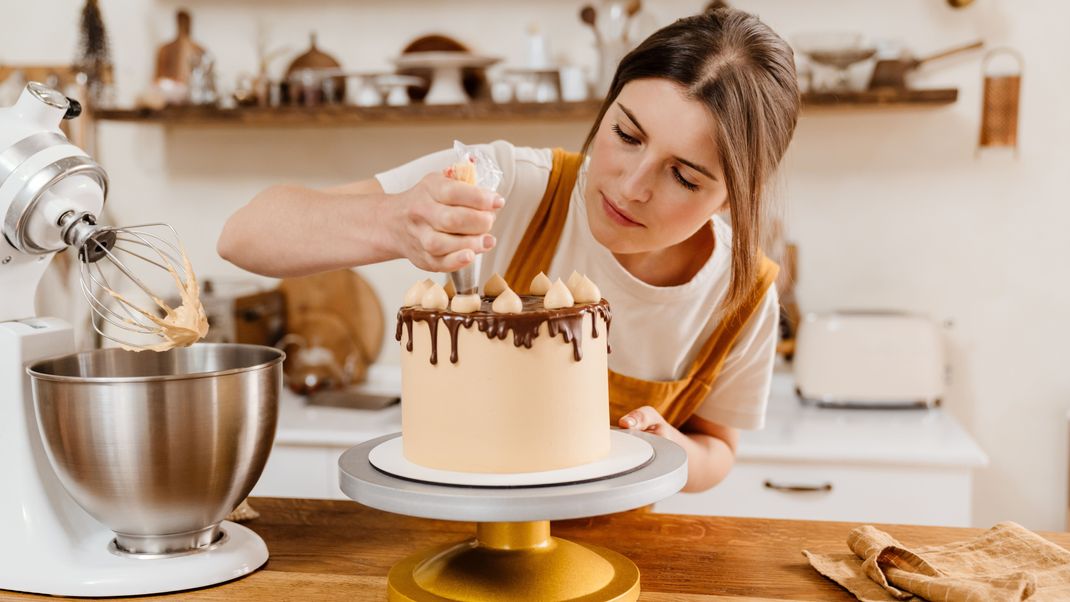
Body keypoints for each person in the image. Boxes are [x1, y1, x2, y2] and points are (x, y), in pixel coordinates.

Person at [218, 7, 800, 493]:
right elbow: (244, 236)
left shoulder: (741, 294)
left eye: (686, 177)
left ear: (732, 197)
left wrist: (672, 448)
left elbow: (717, 449)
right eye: (626, 135)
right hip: (455, 531)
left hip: (625, 554)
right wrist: (392, 221)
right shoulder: (507, 184)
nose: (631, 186)